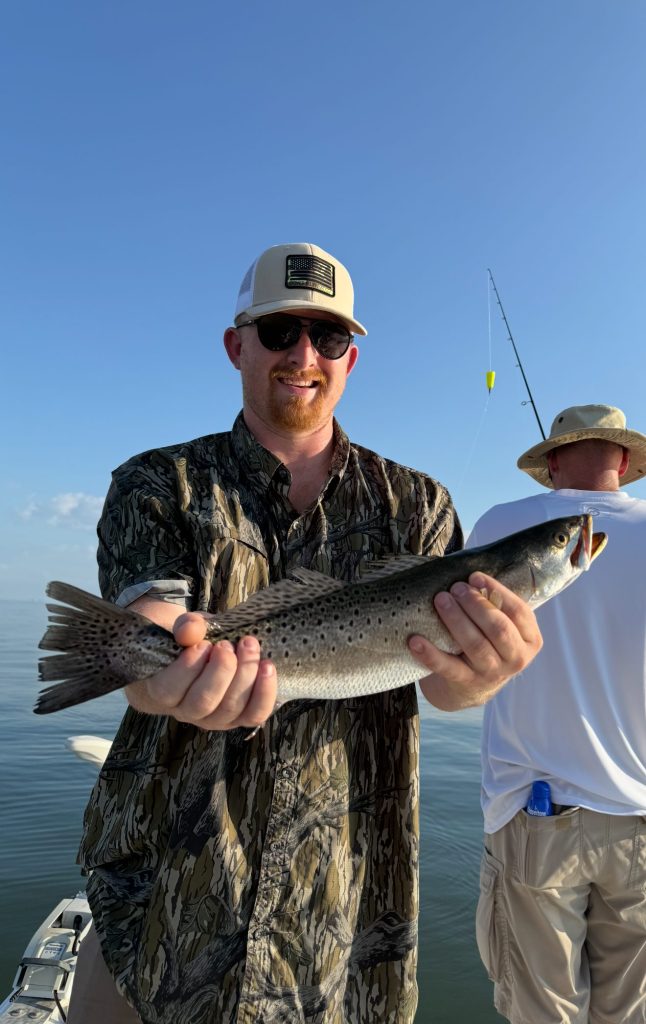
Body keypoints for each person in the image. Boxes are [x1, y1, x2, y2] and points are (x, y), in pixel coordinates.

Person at [67, 242, 541, 1024]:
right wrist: (152, 667)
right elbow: (153, 605)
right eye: (281, 330)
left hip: (343, 914)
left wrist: (479, 677)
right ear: (237, 345)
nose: (304, 355)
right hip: (162, 901)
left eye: (326, 338)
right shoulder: (159, 482)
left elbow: (441, 680)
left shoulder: (419, 505)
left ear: (351, 358)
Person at [469, 404, 646, 1024]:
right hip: (641, 820)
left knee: (541, 1014)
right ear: (624, 461)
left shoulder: (500, 522)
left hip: (534, 816)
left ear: (550, 462)